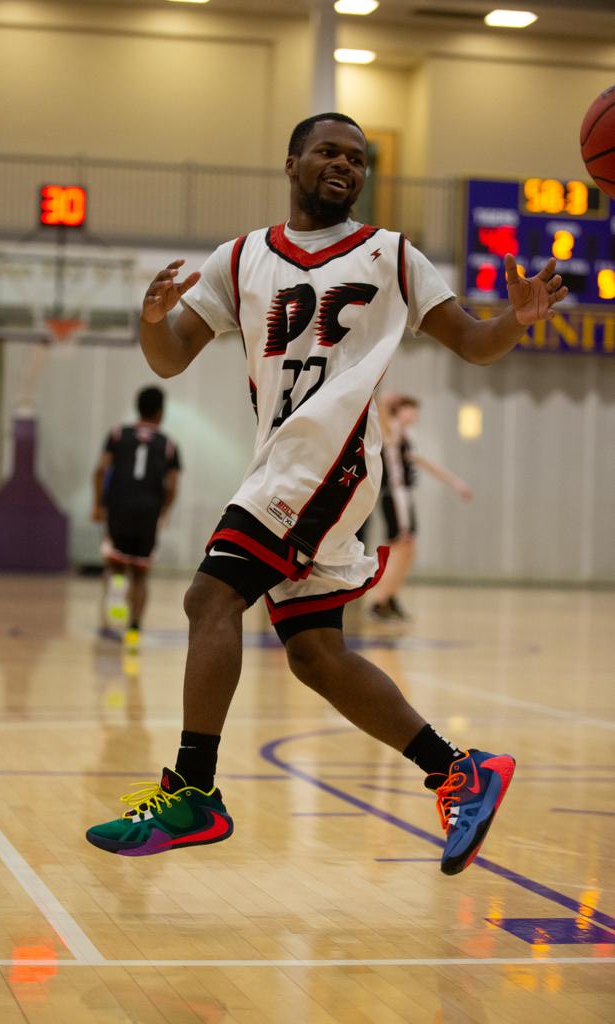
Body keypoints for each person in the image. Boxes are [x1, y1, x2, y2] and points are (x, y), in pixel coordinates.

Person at [86, 113, 568, 875]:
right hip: (281, 460)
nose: (344, 164)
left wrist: (518, 321)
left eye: (357, 156)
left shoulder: (393, 256)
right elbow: (171, 356)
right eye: (328, 151)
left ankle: (193, 791)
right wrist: (150, 320)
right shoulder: (240, 257)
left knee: (210, 600)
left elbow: (474, 343)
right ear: (292, 163)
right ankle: (457, 771)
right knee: (314, 653)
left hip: (329, 457)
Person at [92, 385, 181, 650]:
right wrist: (163, 512)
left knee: (116, 563)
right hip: (148, 510)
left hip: (119, 505)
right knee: (141, 574)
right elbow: (173, 485)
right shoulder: (168, 445)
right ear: (160, 413)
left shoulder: (119, 434)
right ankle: (134, 629)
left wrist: (98, 505)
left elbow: (100, 470)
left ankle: (117, 596)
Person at [370, 394, 472, 621]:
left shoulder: (406, 436)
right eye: (411, 409)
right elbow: (380, 411)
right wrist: (385, 400)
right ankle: (379, 601)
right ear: (399, 410)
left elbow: (427, 464)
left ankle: (390, 597)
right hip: (393, 496)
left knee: (409, 550)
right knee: (400, 548)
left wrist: (456, 483)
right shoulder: (390, 430)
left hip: (404, 497)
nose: (415, 414)